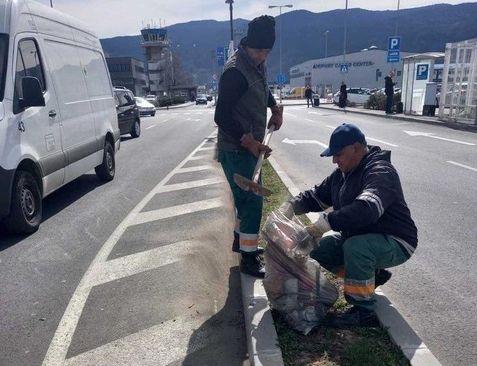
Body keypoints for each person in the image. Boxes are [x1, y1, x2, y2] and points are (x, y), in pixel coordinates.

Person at [279, 123, 417, 327]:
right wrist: (290, 206)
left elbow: (367, 209)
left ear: (357, 147)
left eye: (339, 154)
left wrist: (327, 223)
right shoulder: (343, 174)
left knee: (356, 248)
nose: (335, 160)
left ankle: (363, 312)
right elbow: (316, 196)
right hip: (360, 237)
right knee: (320, 248)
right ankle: (373, 276)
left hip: (395, 240)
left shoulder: (380, 171)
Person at [214, 15, 283, 278]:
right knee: (252, 201)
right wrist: (249, 141)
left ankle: (240, 242)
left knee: (246, 200)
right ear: (247, 45)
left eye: (267, 51)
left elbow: (262, 89)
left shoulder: (256, 64)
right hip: (235, 149)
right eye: (259, 50)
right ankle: (249, 258)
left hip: (248, 147)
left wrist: (274, 106)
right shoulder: (234, 72)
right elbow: (221, 116)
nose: (263, 56)